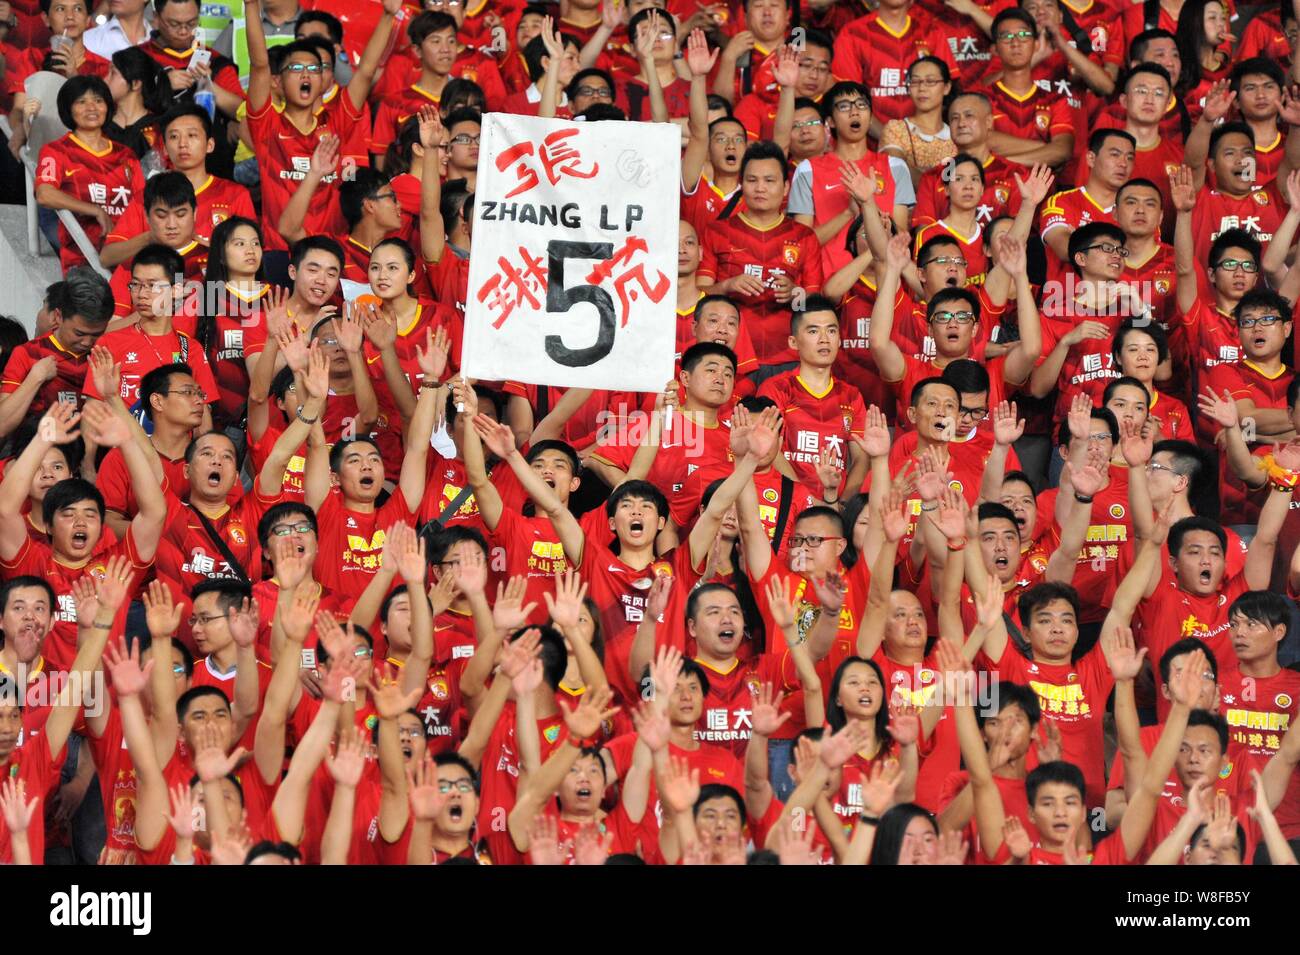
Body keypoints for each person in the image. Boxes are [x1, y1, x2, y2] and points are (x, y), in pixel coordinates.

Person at [35, 75, 145, 273]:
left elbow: (141, 204)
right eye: (81, 102)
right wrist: (95, 210)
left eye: (98, 100)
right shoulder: (56, 150)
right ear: (68, 108)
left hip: (127, 260)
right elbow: (44, 194)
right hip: (82, 261)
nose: (91, 108)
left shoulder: (126, 155)